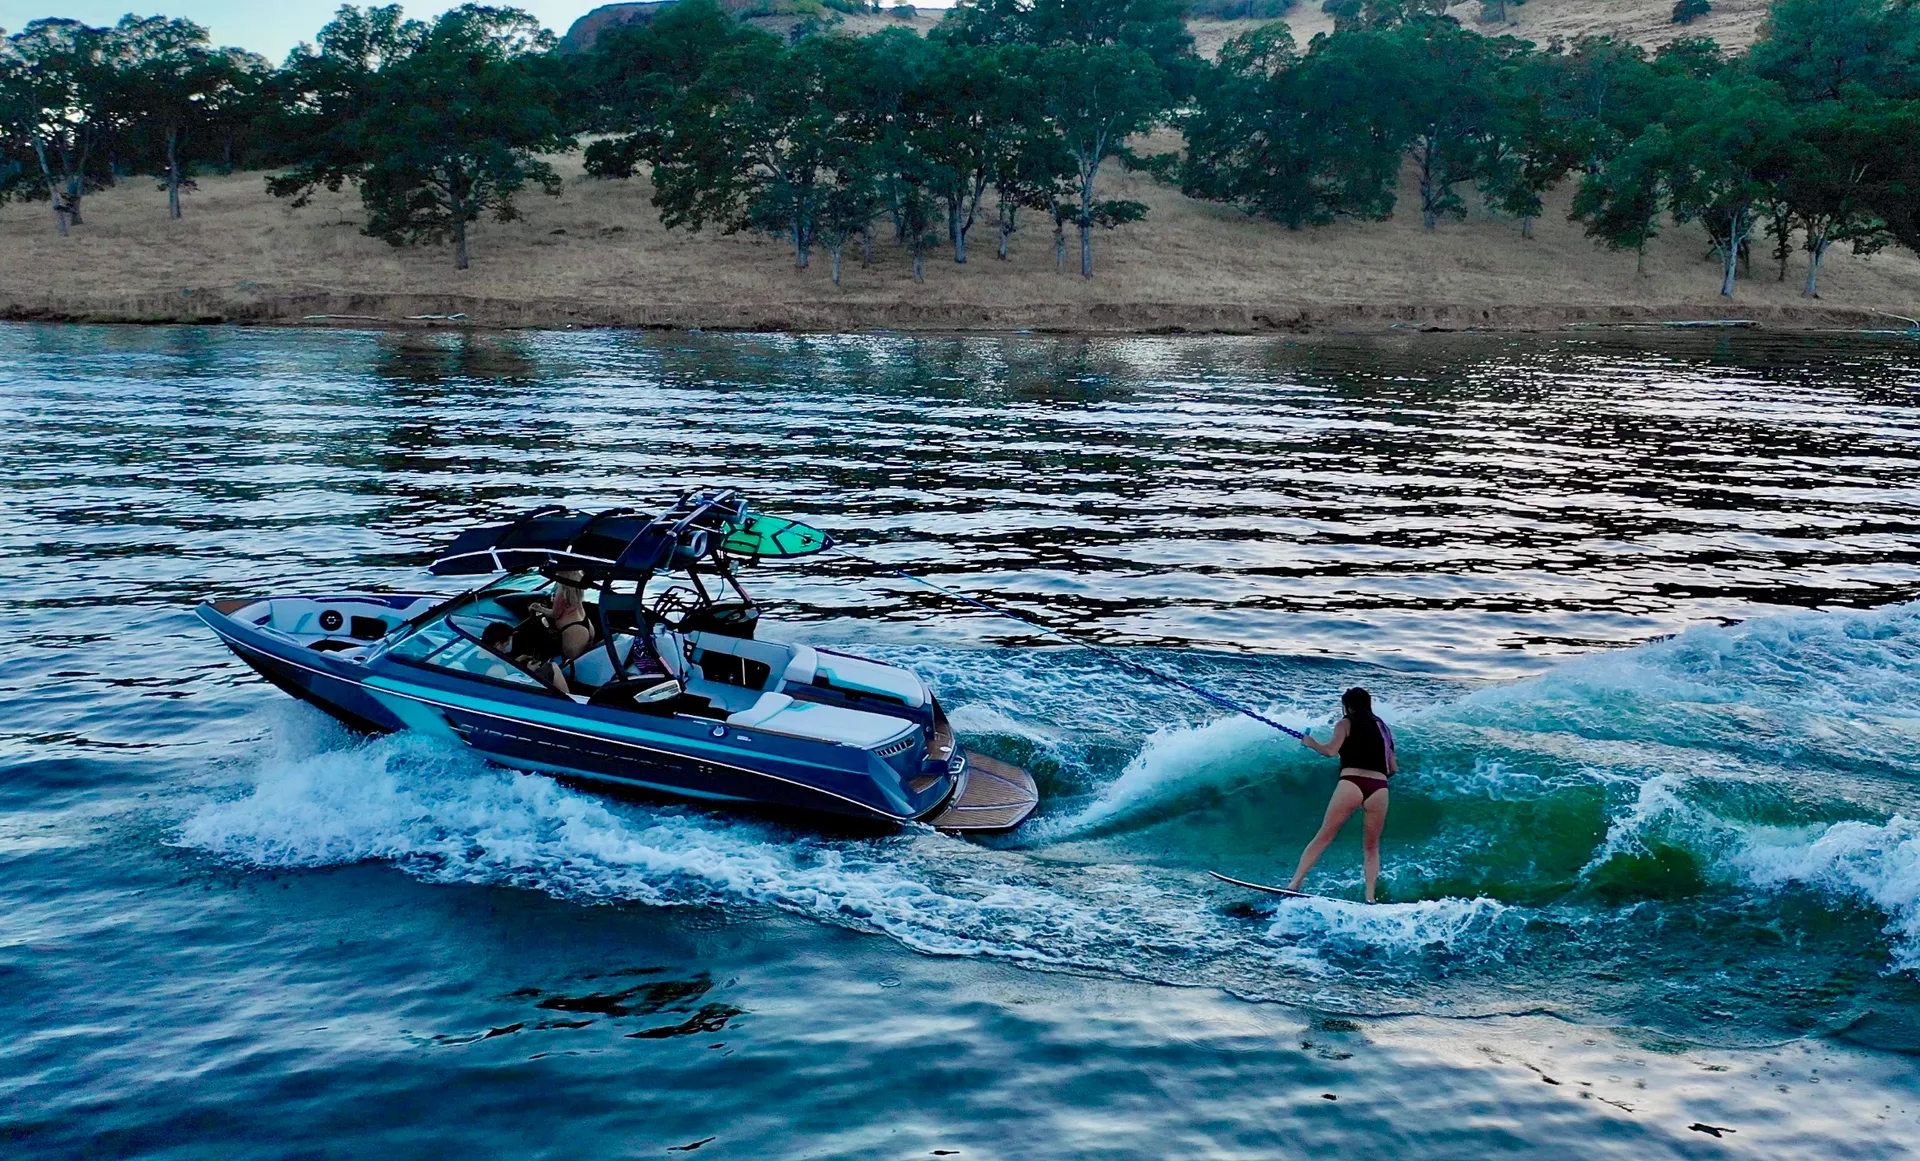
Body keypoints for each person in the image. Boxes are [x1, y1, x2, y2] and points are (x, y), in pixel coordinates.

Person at [1287, 687, 1397, 903]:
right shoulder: (1383, 728)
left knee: (1324, 836)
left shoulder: (1345, 723)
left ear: (1347, 706)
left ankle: (1293, 885)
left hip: (1352, 783)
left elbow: (1330, 751)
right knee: (1372, 847)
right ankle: (1370, 897)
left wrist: (1310, 742)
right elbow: (1393, 768)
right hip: (1379, 788)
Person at [529, 570, 598, 663]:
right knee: (586, 658)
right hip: (586, 624)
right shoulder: (578, 585)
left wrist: (538, 608)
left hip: (573, 631)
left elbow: (555, 614)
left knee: (570, 664)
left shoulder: (562, 592)